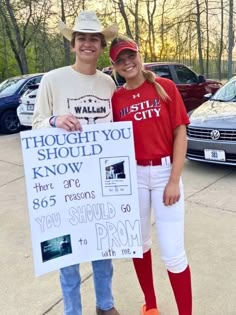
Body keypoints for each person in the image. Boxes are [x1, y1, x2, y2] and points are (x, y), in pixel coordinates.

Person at [32, 11, 120, 315]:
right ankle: (73, 311)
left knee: (103, 252)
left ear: (101, 45)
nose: (87, 43)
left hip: (100, 182)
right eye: (81, 38)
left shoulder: (108, 83)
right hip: (62, 184)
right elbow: (36, 124)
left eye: (93, 39)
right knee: (66, 257)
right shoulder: (52, 79)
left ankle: (105, 305)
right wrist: (55, 120)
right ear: (73, 44)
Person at [109, 36, 192, 315]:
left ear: (139, 55)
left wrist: (173, 180)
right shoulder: (116, 98)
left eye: (130, 55)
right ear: (114, 66)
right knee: (139, 243)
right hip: (133, 175)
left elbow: (180, 133)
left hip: (165, 172)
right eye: (120, 60)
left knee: (173, 253)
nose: (127, 62)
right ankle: (151, 305)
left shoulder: (164, 87)